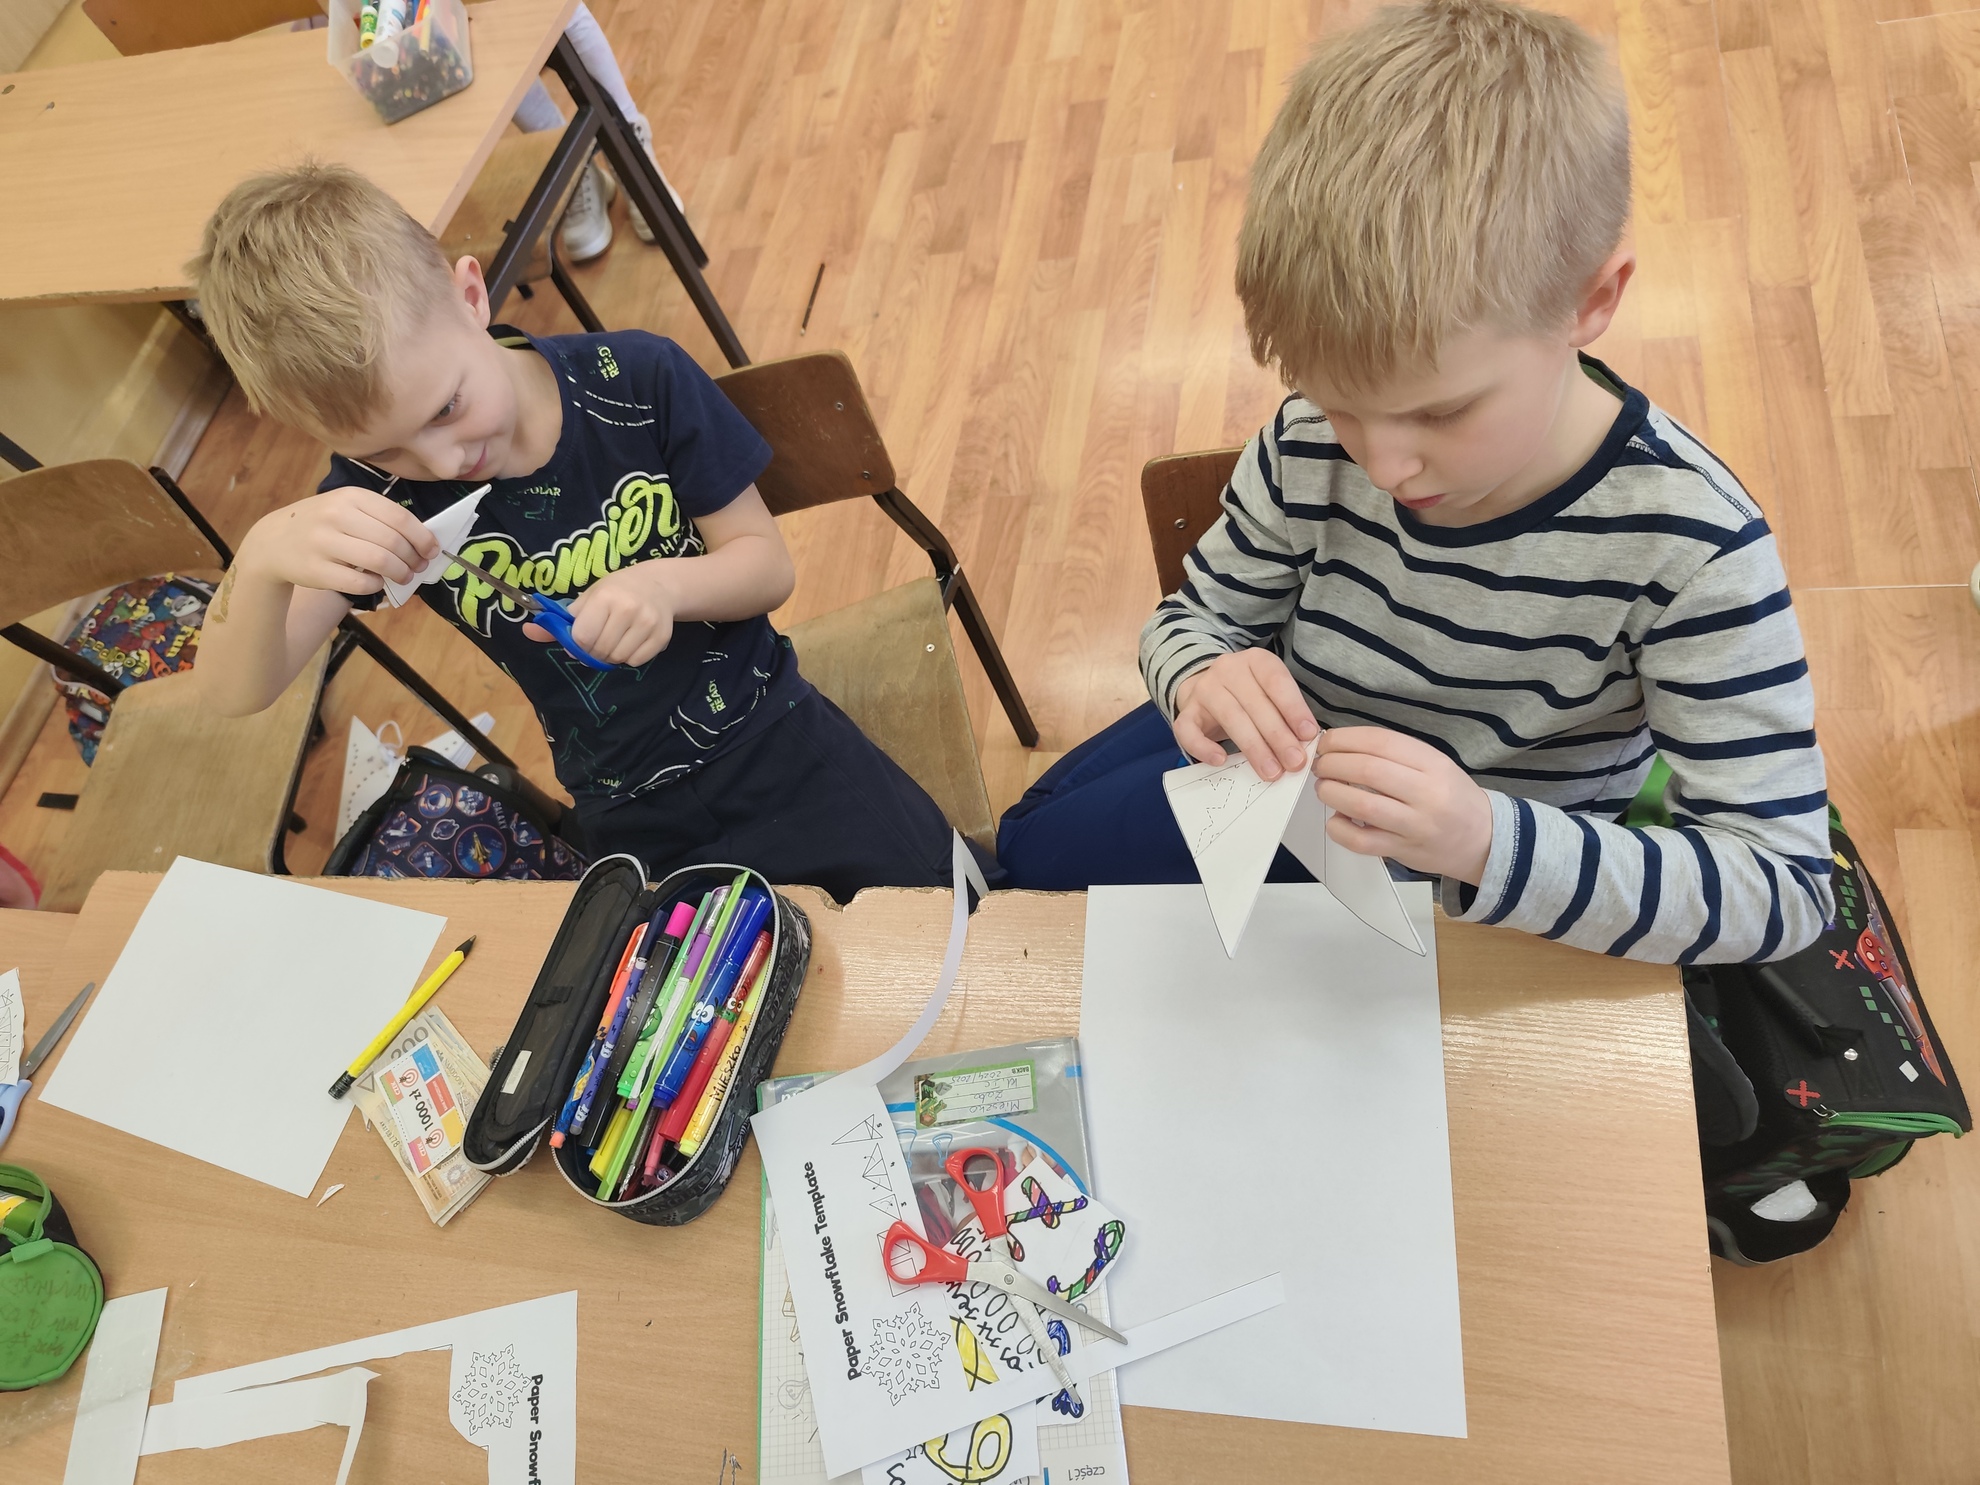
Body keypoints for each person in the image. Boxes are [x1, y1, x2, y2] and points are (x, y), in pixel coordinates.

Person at [998, 0, 1833, 964]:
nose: (1383, 467)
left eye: (1442, 413)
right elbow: (1195, 618)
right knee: (1028, 854)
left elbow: (1785, 887)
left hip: (1481, 884)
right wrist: (1200, 670)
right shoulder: (1310, 441)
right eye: (1341, 405)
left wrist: (1483, 839)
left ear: (1592, 301)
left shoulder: (1692, 551)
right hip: (1281, 794)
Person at [187, 162, 965, 902]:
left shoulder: (638, 379)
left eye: (447, 408)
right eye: (385, 450)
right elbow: (233, 693)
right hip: (626, 810)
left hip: (772, 732)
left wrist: (664, 586)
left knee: (940, 909)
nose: (441, 462)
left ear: (470, 296)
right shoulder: (376, 499)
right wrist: (261, 560)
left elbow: (766, 567)